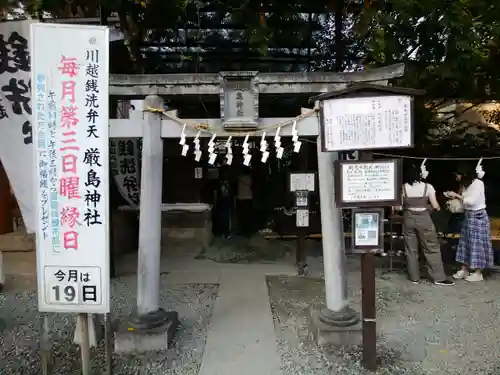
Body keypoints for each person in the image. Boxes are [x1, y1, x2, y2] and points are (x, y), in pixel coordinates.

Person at [400, 164, 454, 285]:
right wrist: (435, 207)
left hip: (408, 219)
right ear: (420, 174)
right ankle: (438, 277)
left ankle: (414, 278)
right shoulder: (427, 187)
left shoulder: (403, 188)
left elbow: (398, 207)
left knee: (411, 249)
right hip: (424, 219)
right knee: (431, 247)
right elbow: (435, 206)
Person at [445, 169, 493, 282]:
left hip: (478, 216)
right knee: (465, 243)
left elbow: (471, 201)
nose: (456, 177)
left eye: (457, 174)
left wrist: (456, 195)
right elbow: (464, 202)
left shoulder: (478, 183)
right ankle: (464, 269)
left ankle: (478, 272)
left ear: (464, 175)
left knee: (478, 244)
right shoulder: (464, 185)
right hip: (468, 215)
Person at [214, 166, 233, 238]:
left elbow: (215, 192)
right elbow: (231, 192)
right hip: (225, 200)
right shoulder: (229, 181)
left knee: (222, 217)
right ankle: (226, 232)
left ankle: (223, 232)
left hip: (221, 200)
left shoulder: (218, 181)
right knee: (226, 217)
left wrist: (215, 202)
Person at [236, 167, 253, 236]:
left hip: (241, 198)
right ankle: (248, 231)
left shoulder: (239, 178)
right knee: (248, 216)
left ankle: (242, 230)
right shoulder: (250, 179)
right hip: (249, 198)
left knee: (242, 216)